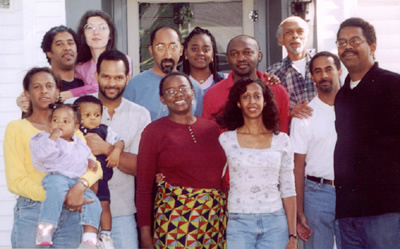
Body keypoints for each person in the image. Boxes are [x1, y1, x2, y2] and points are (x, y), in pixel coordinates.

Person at [3, 67, 102, 248]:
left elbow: (95, 167)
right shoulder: (17, 128)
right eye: (37, 87)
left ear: (57, 92)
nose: (44, 91)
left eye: (49, 86)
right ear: (27, 93)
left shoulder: (70, 128)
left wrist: (80, 187)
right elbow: (16, 181)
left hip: (71, 213)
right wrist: (58, 198)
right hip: (34, 212)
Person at [68, 49, 151, 248]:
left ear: (127, 78)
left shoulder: (140, 115)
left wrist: (107, 148)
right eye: (106, 76)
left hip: (121, 212)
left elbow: (141, 167)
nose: (112, 83)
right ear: (96, 76)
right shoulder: (74, 108)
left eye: (118, 77)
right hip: (78, 210)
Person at [136, 72, 227, 249]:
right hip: (174, 221)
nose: (178, 94)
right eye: (170, 91)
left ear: (193, 93)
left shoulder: (212, 129)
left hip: (214, 220)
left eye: (183, 88)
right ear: (162, 99)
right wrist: (146, 236)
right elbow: (144, 189)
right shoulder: (153, 132)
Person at [334, 17, 400, 248]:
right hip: (348, 211)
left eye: (354, 40)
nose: (347, 47)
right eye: (341, 43)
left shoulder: (392, 85)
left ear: (372, 47)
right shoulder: (342, 95)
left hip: (385, 211)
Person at [216, 78, 297, 249]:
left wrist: (292, 235)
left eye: (256, 96)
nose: (252, 101)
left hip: (275, 222)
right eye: (246, 97)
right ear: (238, 103)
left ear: (265, 101)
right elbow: (211, 177)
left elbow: (288, 189)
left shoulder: (282, 140)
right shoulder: (226, 140)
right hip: (239, 222)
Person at [30, 104, 102, 248]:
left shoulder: (79, 143)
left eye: (65, 121)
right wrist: (53, 137)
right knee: (55, 192)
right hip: (57, 176)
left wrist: (91, 161)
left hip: (75, 181)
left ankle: (89, 238)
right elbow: (43, 155)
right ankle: (45, 228)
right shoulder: (46, 138)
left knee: (94, 202)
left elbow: (87, 155)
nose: (60, 124)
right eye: (55, 120)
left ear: (76, 126)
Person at [290, 51, 342, 249]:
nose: (324, 75)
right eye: (318, 71)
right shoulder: (304, 115)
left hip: (351, 192)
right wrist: (299, 211)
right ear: (312, 77)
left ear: (339, 70)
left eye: (329, 69)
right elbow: (298, 167)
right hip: (317, 193)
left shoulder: (354, 108)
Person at [202, 35, 290, 133]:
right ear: (227, 58)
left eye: (247, 52)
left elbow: (282, 133)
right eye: (234, 54)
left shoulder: (277, 91)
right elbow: (209, 137)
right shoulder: (213, 95)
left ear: (259, 55)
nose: (241, 58)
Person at [74, 95, 125, 249]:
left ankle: (106, 236)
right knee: (83, 208)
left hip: (101, 177)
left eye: (97, 115)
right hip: (80, 181)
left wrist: (115, 151)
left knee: (104, 205)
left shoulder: (104, 130)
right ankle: (87, 238)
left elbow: (120, 141)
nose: (93, 119)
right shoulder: (74, 132)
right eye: (87, 115)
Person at [123, 25, 203, 121]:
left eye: (173, 47)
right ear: (151, 51)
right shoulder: (132, 86)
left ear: (181, 50)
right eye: (160, 47)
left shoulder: (195, 88)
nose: (167, 54)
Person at [64, 10, 132, 100]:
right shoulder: (80, 67)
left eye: (102, 28)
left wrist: (69, 94)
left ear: (110, 35)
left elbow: (101, 87)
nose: (96, 32)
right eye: (90, 28)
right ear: (83, 35)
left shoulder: (122, 61)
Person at [17, 25, 84, 112]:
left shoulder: (84, 84)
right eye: (59, 44)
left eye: (70, 43)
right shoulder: (41, 87)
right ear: (48, 52)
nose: (67, 48)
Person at [267, 16, 316, 119]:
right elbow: (269, 111)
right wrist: (289, 114)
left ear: (307, 37)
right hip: (292, 132)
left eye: (300, 31)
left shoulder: (322, 65)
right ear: (281, 39)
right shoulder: (273, 73)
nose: (295, 36)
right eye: (289, 32)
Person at [182, 26, 225, 92]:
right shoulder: (177, 83)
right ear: (185, 53)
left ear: (212, 54)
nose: (200, 53)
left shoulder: (226, 80)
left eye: (206, 49)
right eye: (194, 49)